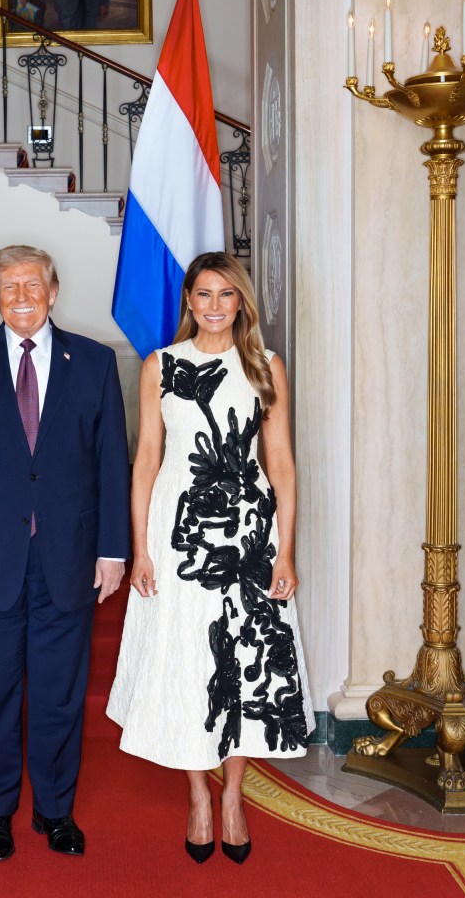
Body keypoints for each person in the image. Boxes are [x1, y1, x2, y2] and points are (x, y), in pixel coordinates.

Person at [106, 252, 313, 865]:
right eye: (204, 294)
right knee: (189, 661)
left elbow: (281, 465)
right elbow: (146, 458)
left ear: (241, 302)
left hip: (248, 535)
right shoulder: (160, 366)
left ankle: (233, 797)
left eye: (227, 294)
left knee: (243, 661)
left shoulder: (265, 366)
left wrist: (286, 550)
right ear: (189, 302)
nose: (215, 305)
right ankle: (198, 792)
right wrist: (139, 547)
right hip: (178, 531)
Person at [0, 245, 130, 861]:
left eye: (33, 284)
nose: (22, 295)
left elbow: (111, 463)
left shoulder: (94, 362)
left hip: (68, 560)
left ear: (54, 290)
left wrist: (113, 549)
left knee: (59, 694)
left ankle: (55, 811)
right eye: (9, 286)